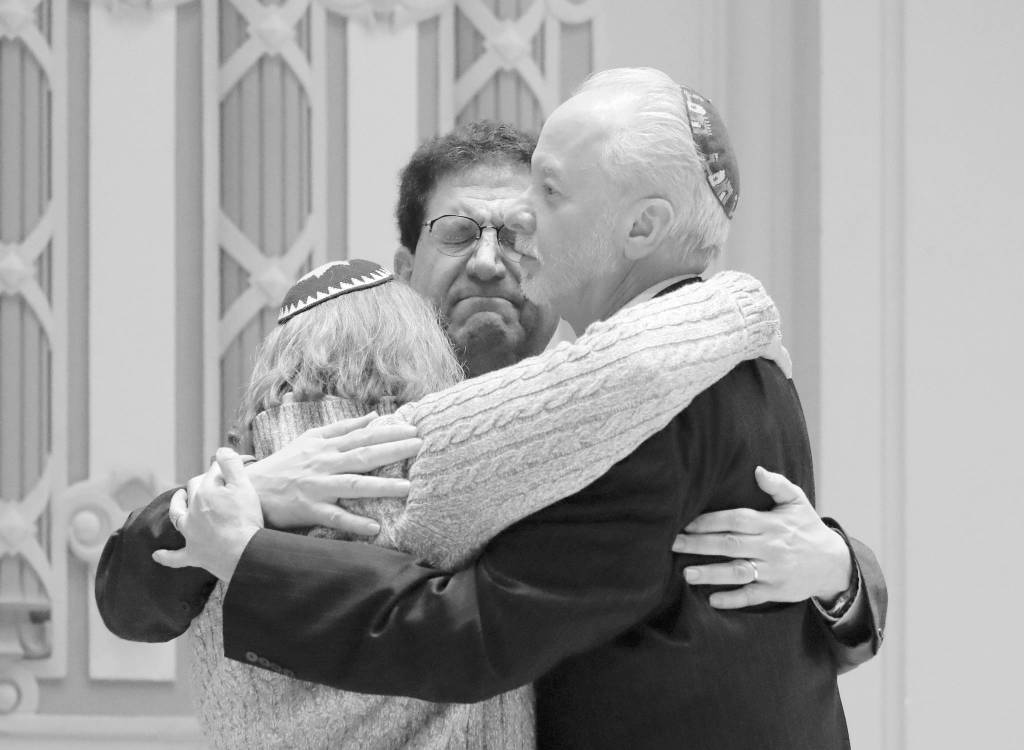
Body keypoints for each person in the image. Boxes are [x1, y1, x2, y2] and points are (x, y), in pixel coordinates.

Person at [136, 69, 884, 748]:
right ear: (404, 271)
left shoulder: (646, 396)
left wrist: (842, 573)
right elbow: (141, 582)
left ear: (641, 227)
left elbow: (474, 630)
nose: (501, 254)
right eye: (460, 232)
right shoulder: (335, 397)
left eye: (541, 205)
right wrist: (232, 508)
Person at [187, 256, 787, 749]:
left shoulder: (209, 518)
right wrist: (739, 303)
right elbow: (610, 382)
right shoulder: (419, 455)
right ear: (420, 348)